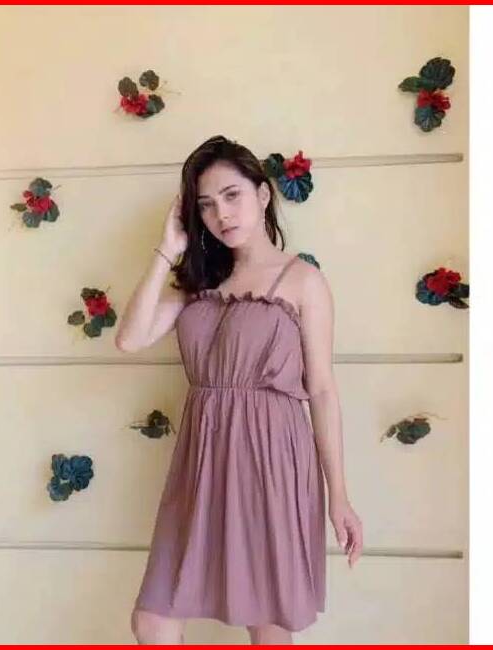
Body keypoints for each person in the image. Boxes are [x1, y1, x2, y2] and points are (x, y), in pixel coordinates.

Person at [116, 135, 363, 644]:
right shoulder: (197, 282)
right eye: (206, 205)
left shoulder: (303, 281)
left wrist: (338, 495)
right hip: (201, 458)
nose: (221, 214)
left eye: (232, 195)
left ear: (263, 194)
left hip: (271, 459)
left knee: (268, 624)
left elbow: (321, 390)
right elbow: (129, 339)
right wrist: (168, 250)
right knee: (153, 620)